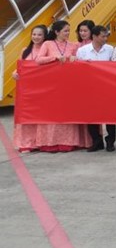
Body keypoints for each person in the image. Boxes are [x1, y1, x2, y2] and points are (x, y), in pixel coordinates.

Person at [18, 20, 90, 152]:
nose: (68, 33)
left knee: (66, 113)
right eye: (65, 31)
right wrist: (55, 58)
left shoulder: (73, 45)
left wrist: (75, 59)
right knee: (51, 115)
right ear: (57, 32)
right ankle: (49, 142)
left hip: (67, 86)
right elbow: (39, 60)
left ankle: (67, 142)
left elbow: (79, 60)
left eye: (69, 30)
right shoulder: (48, 44)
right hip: (50, 86)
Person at [79, 25, 116, 152]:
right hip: (90, 87)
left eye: (106, 36)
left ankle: (110, 141)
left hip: (107, 87)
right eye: (103, 36)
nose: (105, 38)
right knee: (91, 115)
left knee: (110, 115)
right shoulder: (83, 51)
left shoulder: (110, 49)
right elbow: (78, 69)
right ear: (94, 36)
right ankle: (96, 141)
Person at [12, 25, 49, 151]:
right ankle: (26, 143)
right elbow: (21, 66)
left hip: (43, 88)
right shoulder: (25, 50)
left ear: (45, 36)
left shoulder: (47, 50)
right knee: (27, 115)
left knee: (40, 116)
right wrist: (15, 73)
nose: (36, 37)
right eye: (34, 34)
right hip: (27, 89)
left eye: (39, 35)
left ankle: (39, 142)